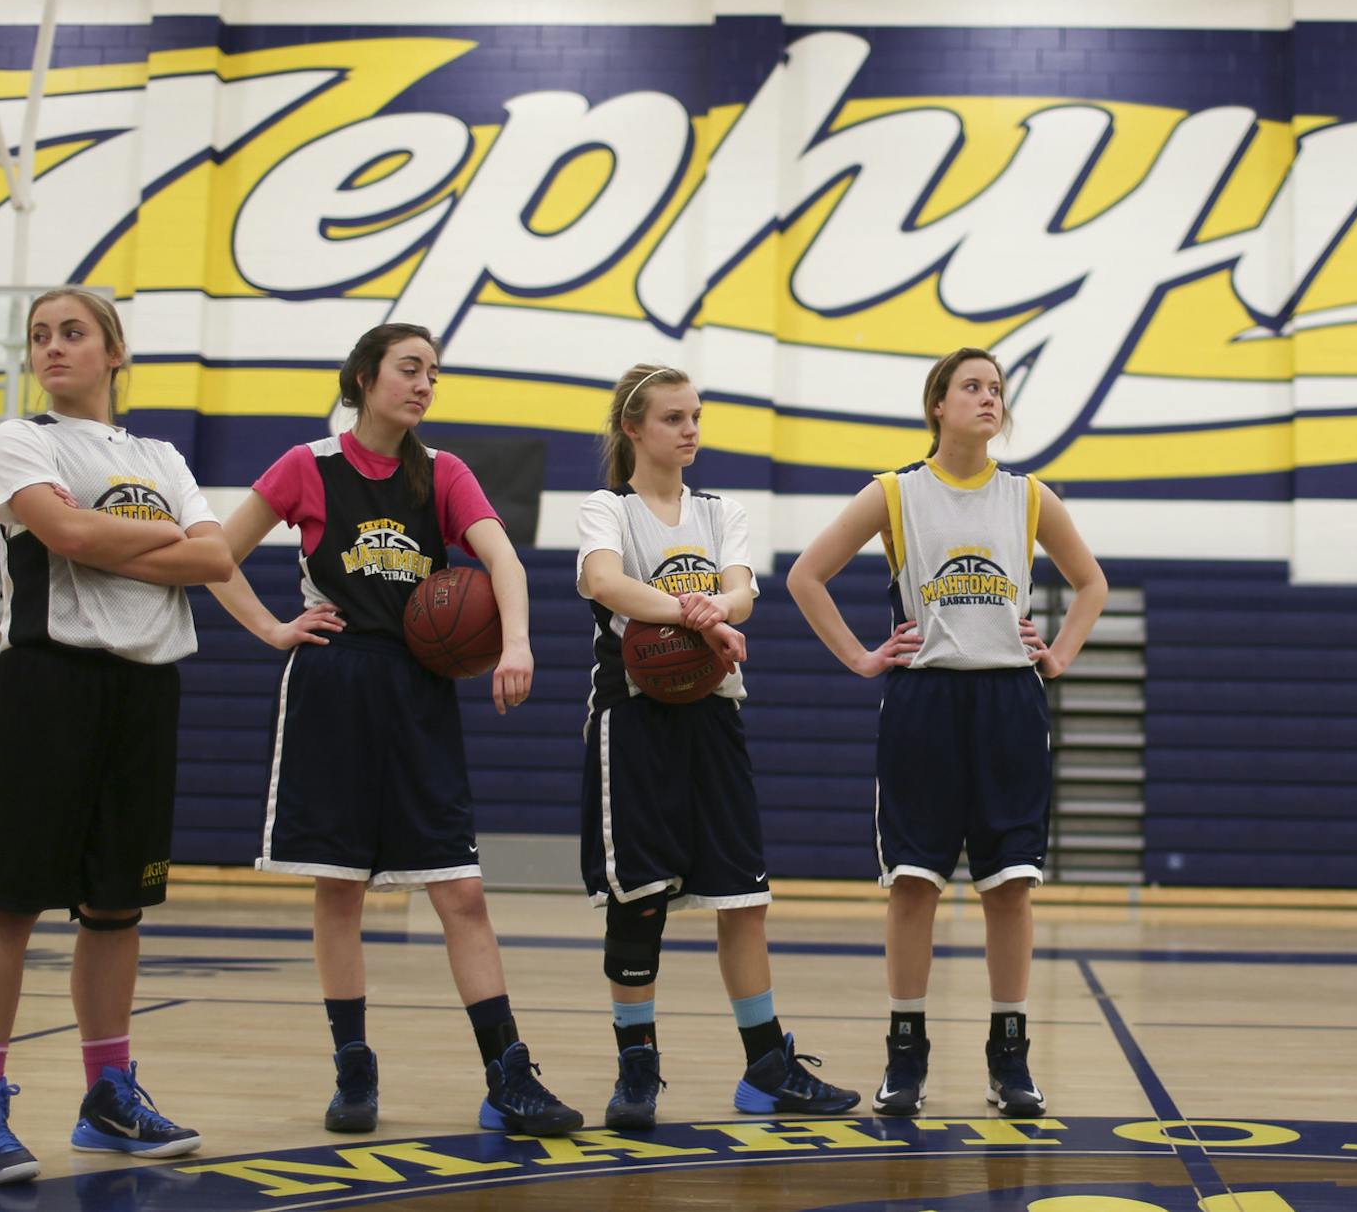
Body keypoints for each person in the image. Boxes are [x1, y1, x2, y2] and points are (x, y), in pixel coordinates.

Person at [205, 323, 581, 1138]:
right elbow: (215, 553)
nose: (423, 385)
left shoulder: (442, 473)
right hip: (336, 683)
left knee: (462, 893)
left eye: (433, 374)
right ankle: (354, 1068)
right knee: (338, 890)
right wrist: (272, 628)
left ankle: (507, 1073)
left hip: (418, 690)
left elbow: (504, 560)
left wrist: (515, 642)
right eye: (410, 370)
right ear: (364, 378)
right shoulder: (308, 466)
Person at [0, 286, 232, 1185]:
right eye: (40, 336)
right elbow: (60, 531)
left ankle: (109, 1096)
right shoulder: (21, 440)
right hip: (50, 682)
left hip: (146, 690)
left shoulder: (160, 454)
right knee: (10, 903)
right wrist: (145, 540)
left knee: (117, 906)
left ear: (115, 352)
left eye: (73, 333)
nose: (53, 348)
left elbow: (216, 557)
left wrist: (97, 538)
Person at [786, 347, 1107, 1119]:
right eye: (972, 387)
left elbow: (1091, 583)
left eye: (996, 388)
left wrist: (1059, 653)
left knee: (1010, 888)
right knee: (913, 884)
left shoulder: (1029, 496)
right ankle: (906, 1050)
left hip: (1008, 704)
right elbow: (805, 576)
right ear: (939, 404)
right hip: (924, 702)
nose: (988, 398)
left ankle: (1010, 1054)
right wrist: (863, 658)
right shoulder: (895, 494)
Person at [576, 364, 860, 1130]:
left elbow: (743, 593)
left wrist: (712, 610)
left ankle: (766, 1065)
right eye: (673, 418)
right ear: (633, 428)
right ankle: (637, 1067)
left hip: (712, 718)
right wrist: (697, 615)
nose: (690, 429)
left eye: (695, 416)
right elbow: (607, 583)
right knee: (639, 904)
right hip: (632, 721)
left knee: (745, 898)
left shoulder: (721, 510)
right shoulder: (608, 509)